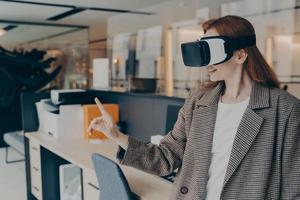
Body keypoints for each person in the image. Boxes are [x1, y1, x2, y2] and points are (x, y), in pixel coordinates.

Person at [88, 15, 300, 200]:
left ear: (240, 55)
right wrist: (116, 134)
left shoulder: (285, 109)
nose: (206, 62)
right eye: (203, 50)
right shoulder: (198, 101)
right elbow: (166, 158)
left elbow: (293, 188)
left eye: (213, 50)